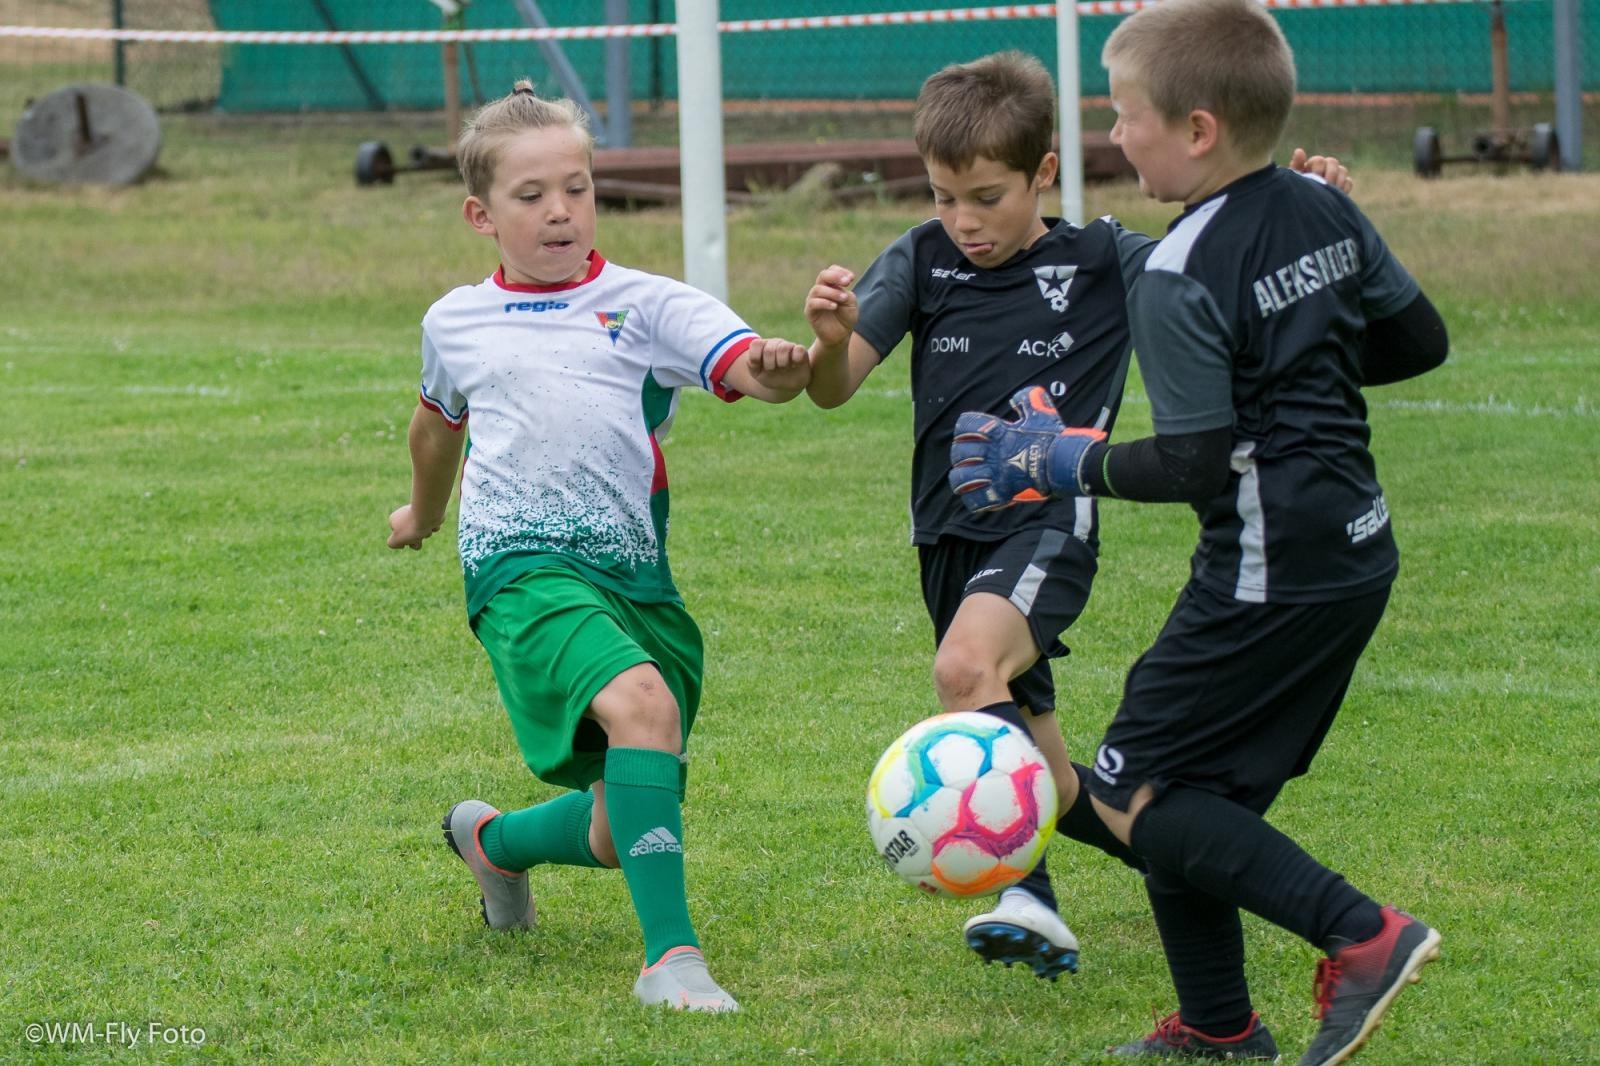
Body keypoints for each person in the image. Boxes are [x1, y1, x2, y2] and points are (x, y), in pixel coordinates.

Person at [947, 1, 1448, 1061]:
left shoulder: (1179, 267)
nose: (1115, 136)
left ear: (1199, 128)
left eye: (1126, 116)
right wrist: (1293, 348)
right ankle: (1220, 1026)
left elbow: (1191, 461)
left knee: (1137, 786)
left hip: (1270, 568)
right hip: (1354, 548)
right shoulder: (1323, 208)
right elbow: (1414, 341)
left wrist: (1057, 456)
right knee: (1189, 791)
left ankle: (1361, 934)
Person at [804, 51, 1351, 982]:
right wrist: (823, 342)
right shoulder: (922, 257)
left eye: (986, 196)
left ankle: (1030, 899)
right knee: (1056, 786)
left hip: (1045, 522)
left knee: (963, 667)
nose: (964, 223)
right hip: (946, 539)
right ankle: (1250, 876)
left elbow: (1222, 267)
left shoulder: (1106, 259)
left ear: (1044, 172)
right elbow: (833, 388)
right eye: (944, 198)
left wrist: (1303, 205)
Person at [387, 80, 813, 1013]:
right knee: (643, 706)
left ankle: (491, 845)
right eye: (531, 194)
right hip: (518, 569)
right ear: (480, 212)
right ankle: (672, 963)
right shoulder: (454, 320)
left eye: (576, 188)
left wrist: (789, 363)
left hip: (633, 580)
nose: (559, 211)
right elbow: (436, 430)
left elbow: (754, 371)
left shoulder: (648, 304)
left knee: (622, 826)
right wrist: (422, 514)